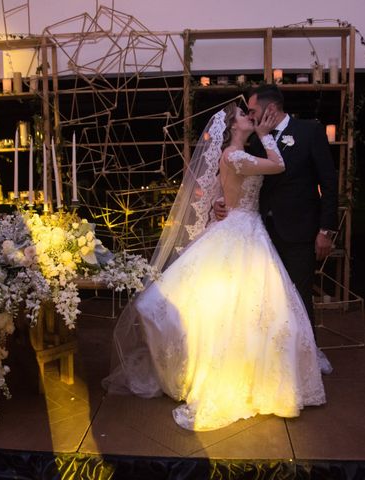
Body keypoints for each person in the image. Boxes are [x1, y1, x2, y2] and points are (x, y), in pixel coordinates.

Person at [102, 102, 326, 431]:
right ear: (234, 127)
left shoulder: (234, 156)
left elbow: (228, 192)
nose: (251, 117)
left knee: (251, 309)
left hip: (242, 227)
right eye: (244, 115)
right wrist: (265, 136)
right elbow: (278, 165)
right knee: (243, 308)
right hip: (243, 231)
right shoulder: (235, 155)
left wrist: (223, 201)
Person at [215, 84, 339, 324]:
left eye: (252, 110)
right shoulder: (258, 140)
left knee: (299, 299)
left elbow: (330, 183)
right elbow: (241, 181)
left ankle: (306, 358)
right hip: (261, 234)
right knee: (266, 301)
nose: (250, 115)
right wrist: (222, 202)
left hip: (299, 233)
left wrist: (326, 229)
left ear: (270, 107)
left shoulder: (309, 131)